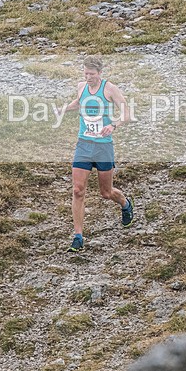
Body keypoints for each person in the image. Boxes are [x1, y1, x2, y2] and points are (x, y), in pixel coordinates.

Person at [55, 56, 134, 253]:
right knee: (77, 190)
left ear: (100, 73)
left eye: (91, 74)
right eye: (85, 73)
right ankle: (78, 237)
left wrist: (113, 125)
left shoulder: (110, 89)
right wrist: (64, 109)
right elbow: (78, 102)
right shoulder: (82, 86)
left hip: (103, 147)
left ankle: (125, 203)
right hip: (84, 144)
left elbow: (127, 114)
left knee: (106, 193)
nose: (88, 77)